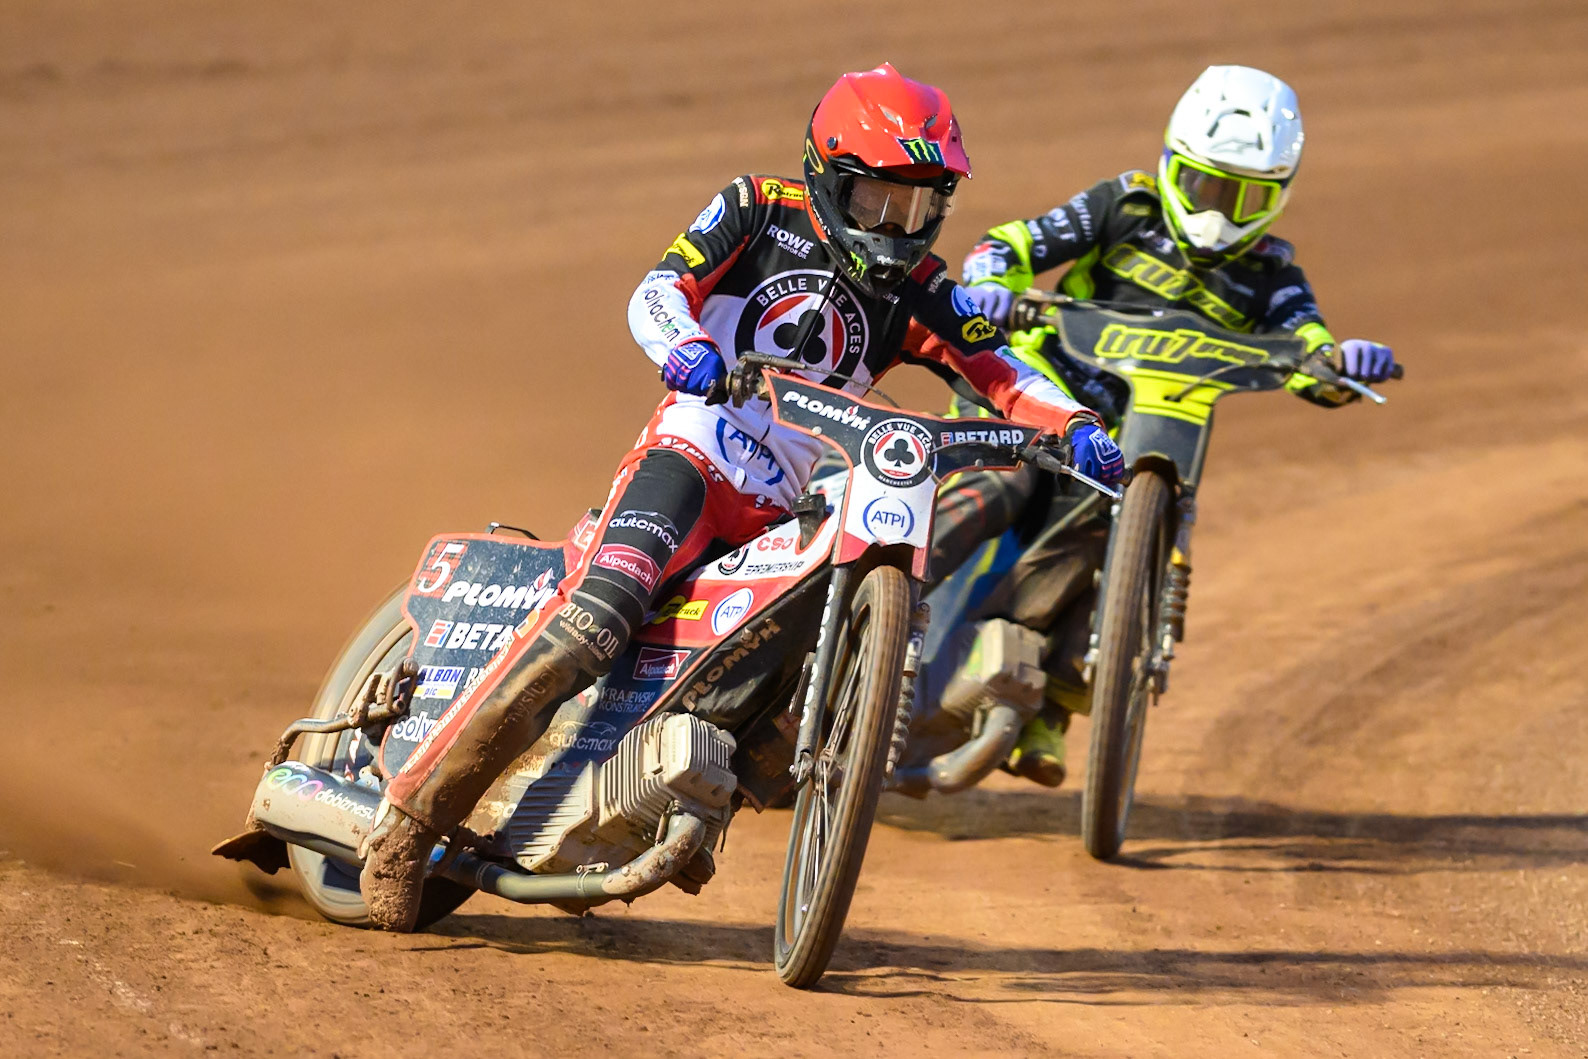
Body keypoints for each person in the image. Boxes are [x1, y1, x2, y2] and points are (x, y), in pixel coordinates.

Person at [359, 62, 1123, 931]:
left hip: (787, 509)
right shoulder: (757, 208)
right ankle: (408, 824)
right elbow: (658, 290)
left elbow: (1004, 374)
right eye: (879, 200)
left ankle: (666, 799)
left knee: (795, 682)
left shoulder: (921, 290)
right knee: (596, 621)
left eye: (919, 205)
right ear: (831, 178)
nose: (899, 226)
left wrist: (1076, 427)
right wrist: (683, 346)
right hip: (692, 458)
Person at [941, 65, 1399, 787]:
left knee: (1116, 548)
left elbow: (1310, 348)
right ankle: (878, 613)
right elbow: (1010, 243)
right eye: (1204, 184)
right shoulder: (1124, 206)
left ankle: (1046, 707)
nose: (1218, 211)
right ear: (1172, 162)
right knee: (1000, 489)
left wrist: (1346, 364)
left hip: (1125, 450)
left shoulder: (1272, 272)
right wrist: (993, 283)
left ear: (1276, 195)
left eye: (1244, 195)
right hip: (1032, 399)